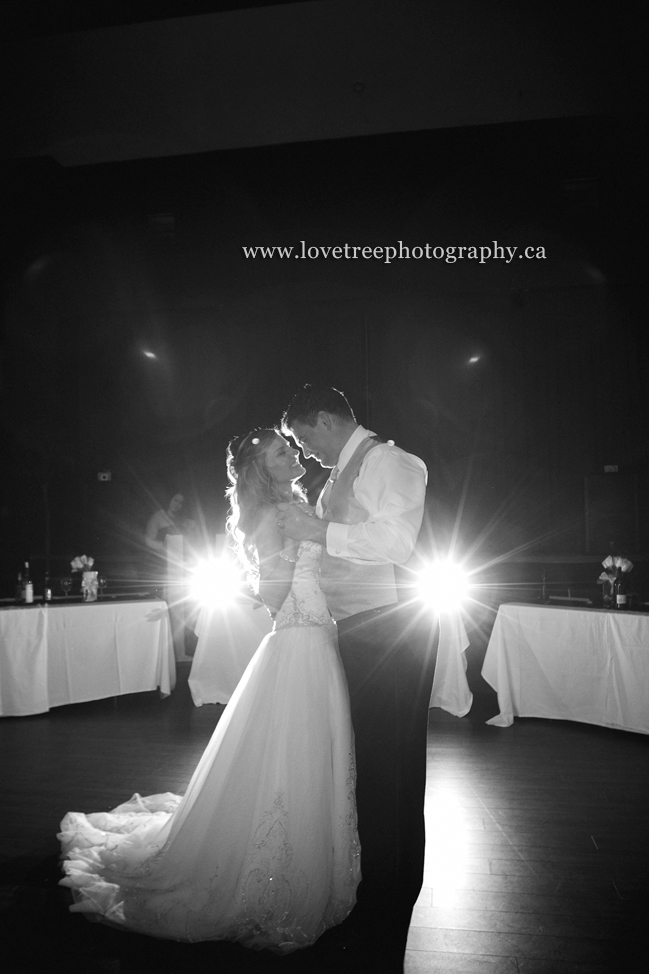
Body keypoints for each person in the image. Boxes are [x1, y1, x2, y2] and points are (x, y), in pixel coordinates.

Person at [58, 429, 360, 953]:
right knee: (292, 757)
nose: (294, 456)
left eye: (292, 448)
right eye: (281, 453)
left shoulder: (297, 503)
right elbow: (269, 594)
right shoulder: (273, 516)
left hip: (322, 639)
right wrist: (289, 550)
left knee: (311, 758)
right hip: (297, 643)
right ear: (261, 469)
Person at [279, 384, 432, 968]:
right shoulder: (342, 474)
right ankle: (376, 901)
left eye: (302, 436)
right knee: (373, 772)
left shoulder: (390, 462)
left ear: (323, 420)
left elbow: (396, 541)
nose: (304, 449)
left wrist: (318, 532)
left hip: (392, 630)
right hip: (363, 629)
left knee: (391, 775)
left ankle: (389, 912)